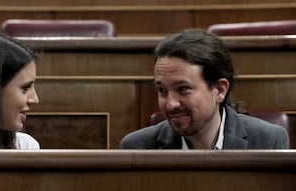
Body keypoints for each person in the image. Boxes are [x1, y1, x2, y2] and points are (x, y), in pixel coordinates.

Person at [120, 28, 289, 149]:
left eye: (183, 89)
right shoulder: (137, 146)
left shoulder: (268, 141)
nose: (170, 104)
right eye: (162, 91)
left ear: (219, 90)